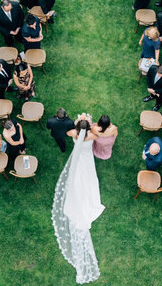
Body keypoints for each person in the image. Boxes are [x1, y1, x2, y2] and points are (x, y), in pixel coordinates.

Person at [52, 114, 104, 285]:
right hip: (86, 158)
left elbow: (71, 131)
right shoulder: (91, 136)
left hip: (78, 157)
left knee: (79, 179)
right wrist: (89, 125)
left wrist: (80, 125)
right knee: (89, 178)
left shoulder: (73, 134)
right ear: (87, 128)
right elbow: (97, 134)